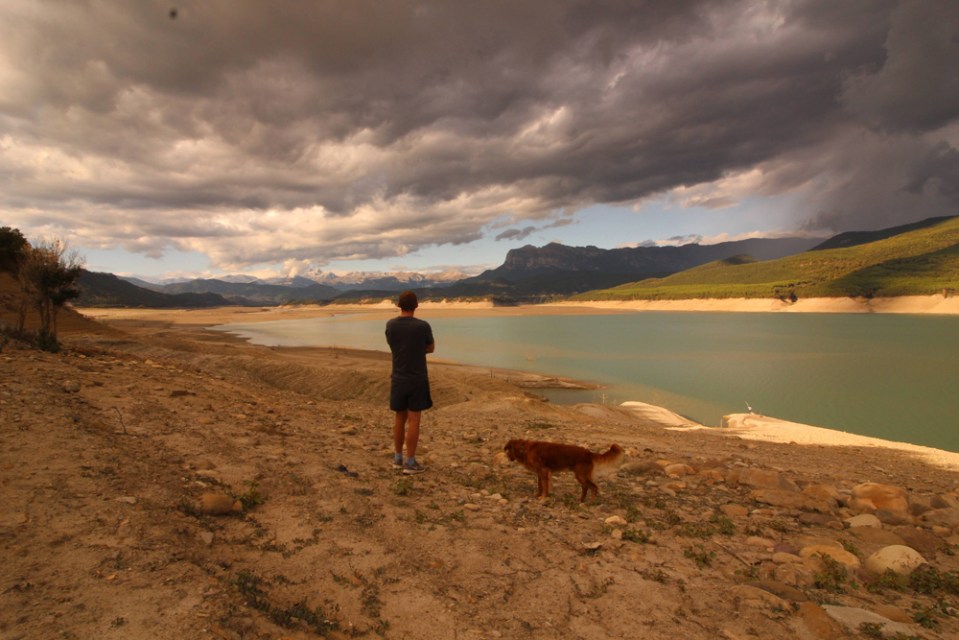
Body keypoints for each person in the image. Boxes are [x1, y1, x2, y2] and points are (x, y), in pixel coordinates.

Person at [385, 290, 434, 475]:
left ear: (399, 305)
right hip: (417, 379)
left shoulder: (390, 325)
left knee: (399, 418)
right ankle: (410, 462)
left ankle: (397, 458)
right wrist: (416, 350)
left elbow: (393, 345)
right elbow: (431, 348)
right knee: (414, 420)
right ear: (416, 306)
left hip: (398, 378)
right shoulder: (423, 326)